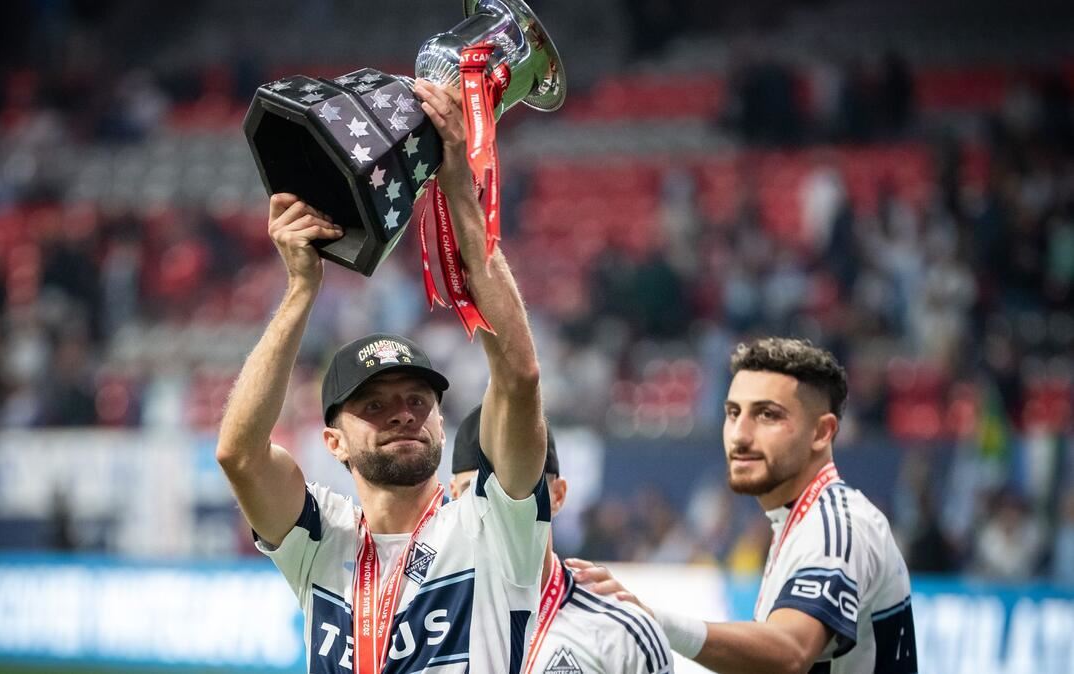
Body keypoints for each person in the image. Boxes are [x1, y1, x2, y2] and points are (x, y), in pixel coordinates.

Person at [216, 79, 550, 673]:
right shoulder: (321, 540)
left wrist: (459, 195)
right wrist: (300, 290)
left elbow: (519, 377)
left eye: (418, 400)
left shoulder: (493, 523)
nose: (402, 413)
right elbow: (239, 455)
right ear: (332, 441)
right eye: (372, 406)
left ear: (442, 424)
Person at [569, 338, 918, 674]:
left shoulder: (836, 524)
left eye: (767, 415)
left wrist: (654, 620)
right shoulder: (798, 521)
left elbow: (789, 652)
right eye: (733, 413)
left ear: (821, 432)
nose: (740, 434)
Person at [450, 405, 673, 674]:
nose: (495, 508)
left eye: (519, 489)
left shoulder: (622, 634)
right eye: (474, 492)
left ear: (558, 495)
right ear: (453, 499)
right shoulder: (416, 624)